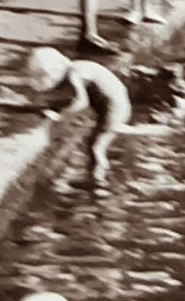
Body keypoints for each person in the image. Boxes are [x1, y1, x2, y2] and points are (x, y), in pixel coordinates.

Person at [26, 44, 132, 191]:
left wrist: (61, 115)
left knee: (96, 144)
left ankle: (98, 178)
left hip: (115, 106)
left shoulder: (75, 74)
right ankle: (96, 176)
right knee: (95, 141)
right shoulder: (75, 68)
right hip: (112, 102)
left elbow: (81, 102)